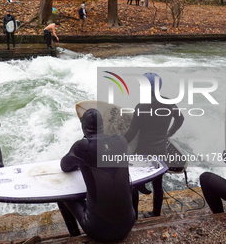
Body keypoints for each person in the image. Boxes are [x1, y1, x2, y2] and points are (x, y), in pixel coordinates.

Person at [57, 108, 137, 242]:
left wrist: (79, 161)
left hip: (99, 230)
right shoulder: (121, 141)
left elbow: (64, 166)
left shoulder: (82, 147)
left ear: (83, 127)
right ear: (102, 126)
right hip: (128, 224)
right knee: (131, 188)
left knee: (63, 196)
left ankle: (74, 236)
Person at [124, 72, 184, 218]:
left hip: (144, 150)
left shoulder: (141, 106)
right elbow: (180, 119)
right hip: (161, 149)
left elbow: (132, 132)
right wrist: (169, 133)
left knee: (133, 183)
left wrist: (117, 143)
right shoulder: (170, 103)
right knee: (158, 184)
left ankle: (134, 215)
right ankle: (156, 213)